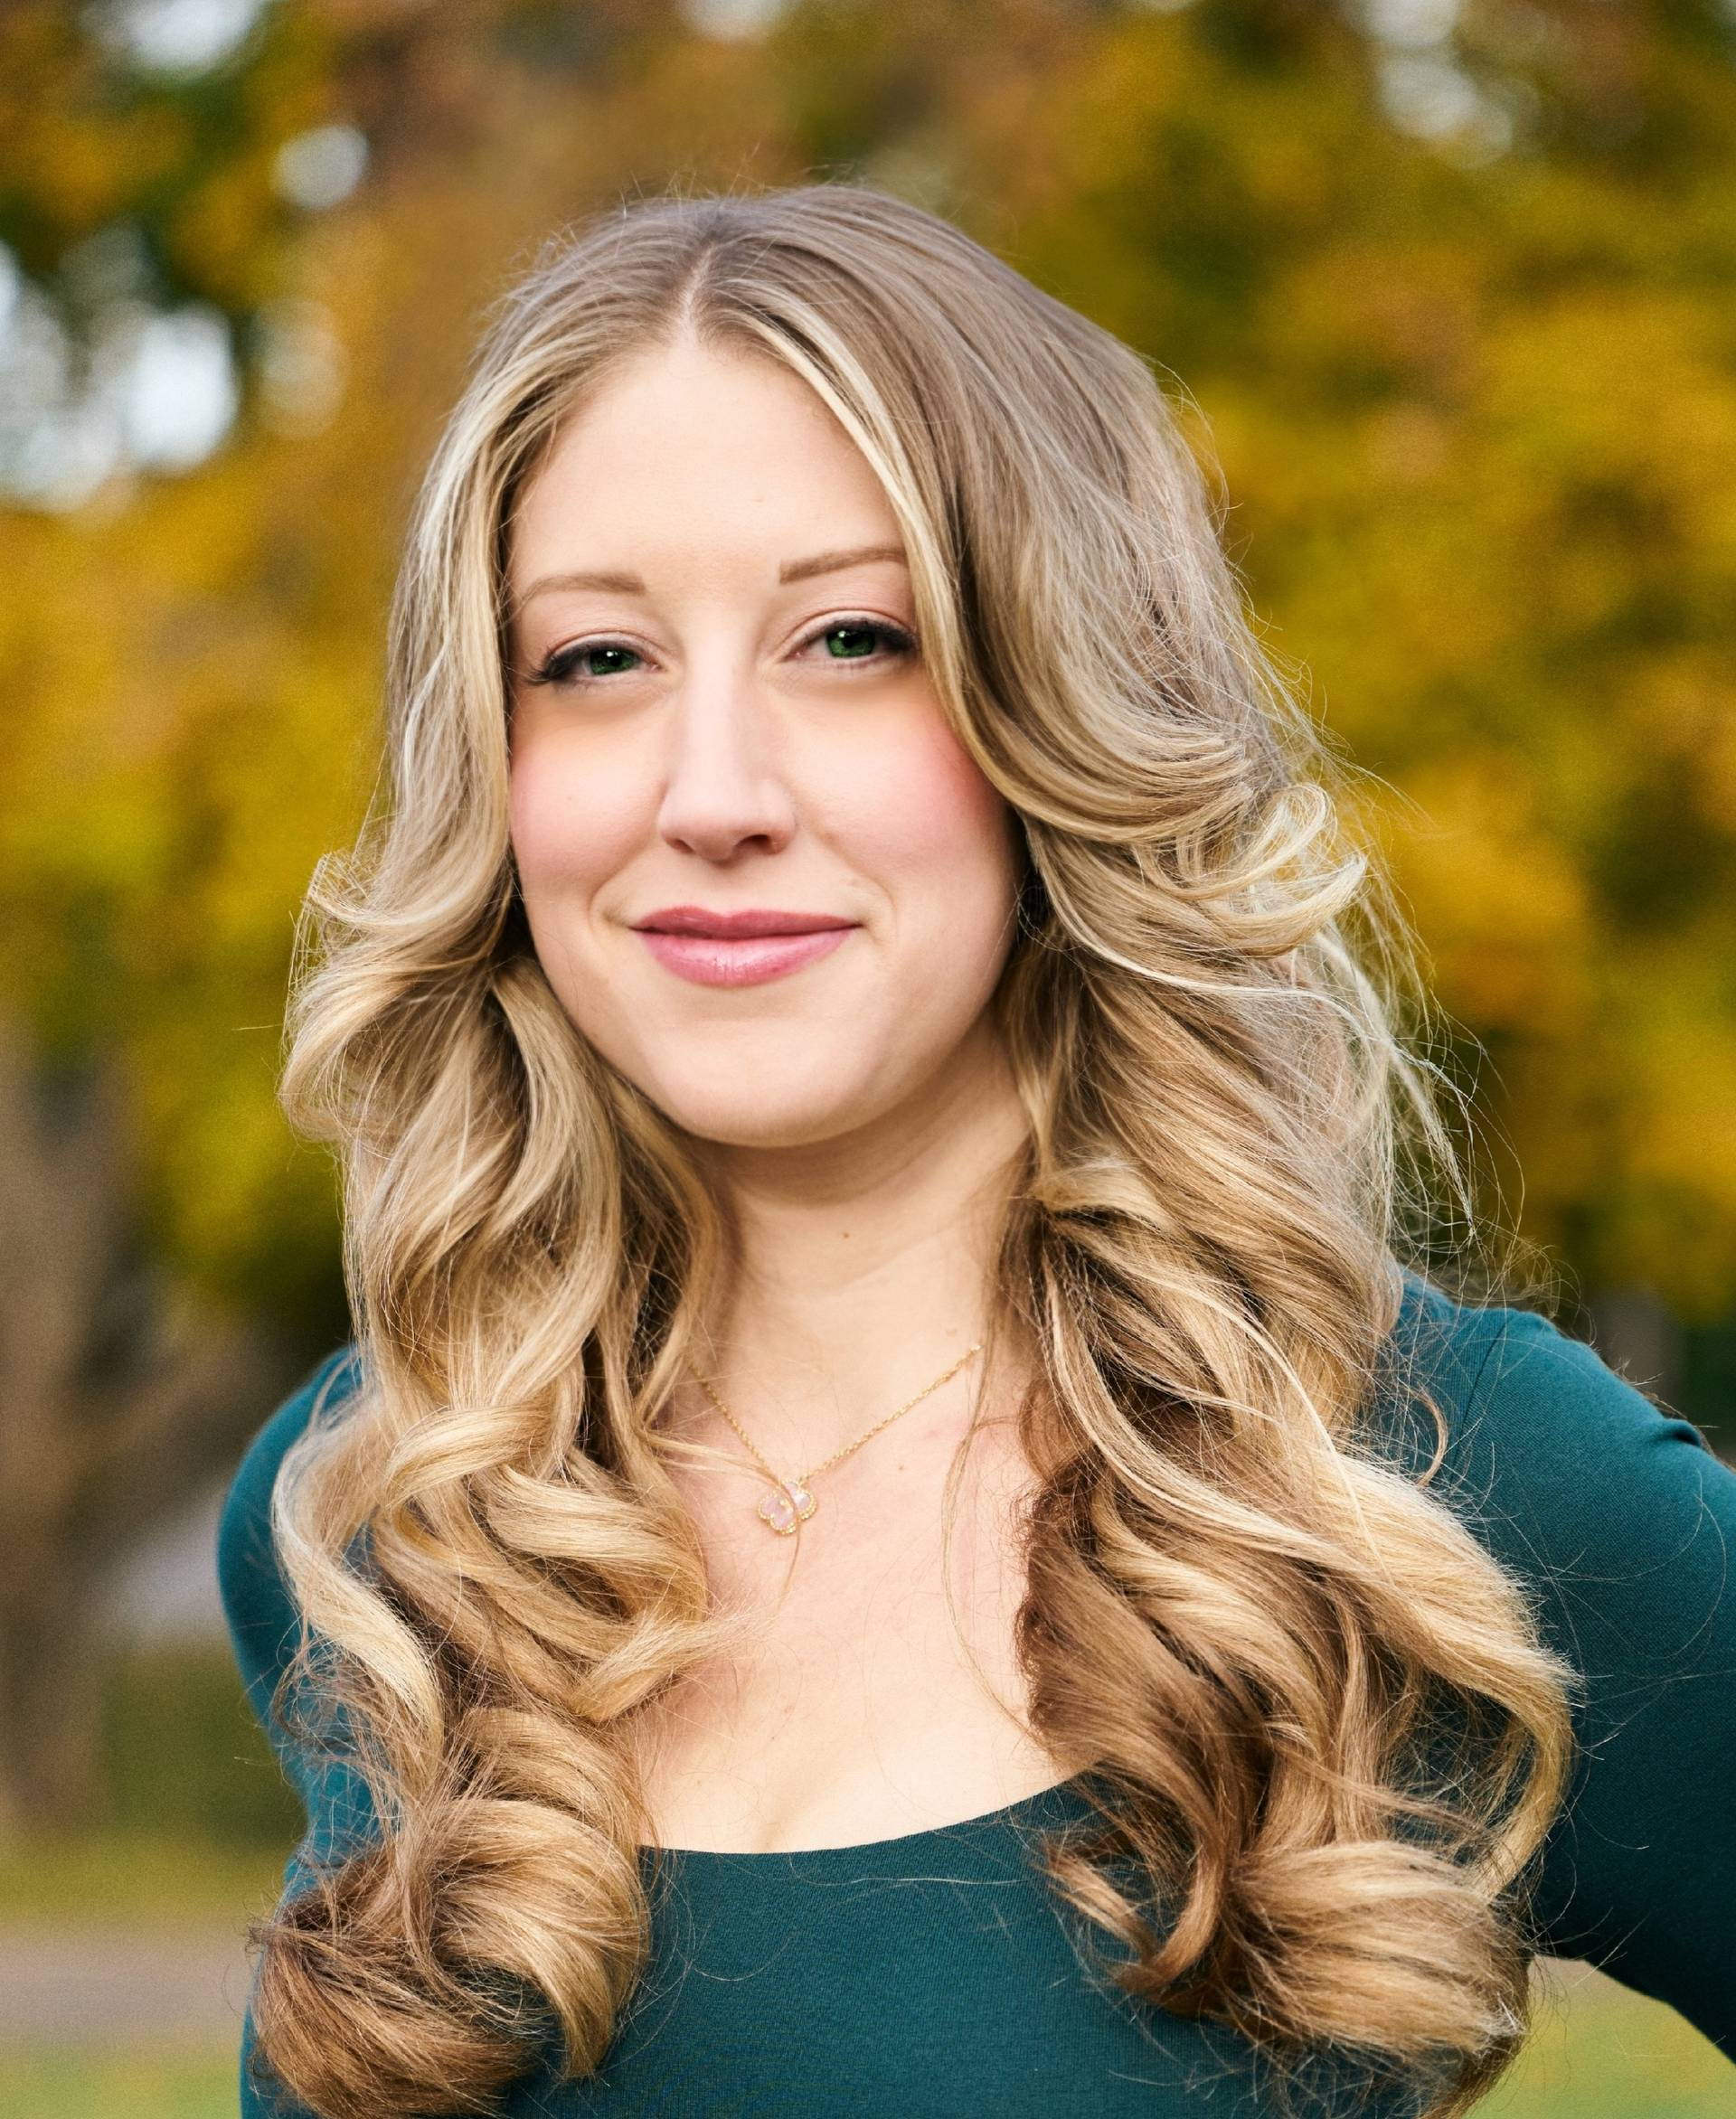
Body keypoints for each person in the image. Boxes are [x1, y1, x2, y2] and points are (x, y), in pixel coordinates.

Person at [217, 182, 1736, 2118]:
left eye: (853, 637)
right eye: (596, 658)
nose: (712, 793)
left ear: (1063, 706)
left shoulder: (1429, 1487)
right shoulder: (378, 1503)